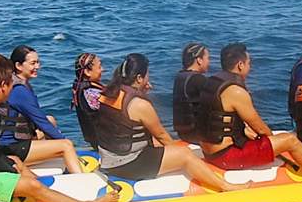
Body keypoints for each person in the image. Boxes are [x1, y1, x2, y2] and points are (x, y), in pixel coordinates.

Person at [0, 54, 119, 202]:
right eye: (11, 84)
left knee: (16, 162)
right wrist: (17, 175)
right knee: (31, 186)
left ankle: (50, 194)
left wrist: (16, 165)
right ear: (4, 85)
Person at [96, 54, 249, 192]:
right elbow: (162, 136)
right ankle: (226, 186)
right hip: (128, 165)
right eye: (147, 75)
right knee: (185, 154)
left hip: (108, 160)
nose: (149, 79)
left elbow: (124, 126)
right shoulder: (138, 104)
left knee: (159, 144)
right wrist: (180, 155)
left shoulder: (106, 95)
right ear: (139, 78)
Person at [197, 43, 302, 179]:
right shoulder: (236, 91)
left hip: (209, 152)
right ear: (240, 65)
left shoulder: (212, 82)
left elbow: (221, 121)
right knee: (290, 140)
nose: (249, 67)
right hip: (226, 157)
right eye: (249, 63)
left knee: (260, 136)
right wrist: (278, 145)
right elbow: (261, 129)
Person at [2, 45, 84, 173]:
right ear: (18, 65)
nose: (37, 67)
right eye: (33, 63)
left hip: (16, 141)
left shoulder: (15, 82)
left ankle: (57, 160)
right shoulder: (19, 91)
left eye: (38, 62)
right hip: (11, 148)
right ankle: (82, 181)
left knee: (51, 119)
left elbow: (43, 121)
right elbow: (41, 122)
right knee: (66, 145)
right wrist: (66, 142)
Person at [171, 42, 208, 145]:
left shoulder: (180, 76)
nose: (209, 62)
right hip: (197, 135)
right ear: (199, 60)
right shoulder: (198, 79)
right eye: (207, 58)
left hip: (182, 133)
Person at [70, 52, 104, 150]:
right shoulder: (91, 93)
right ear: (87, 72)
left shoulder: (80, 88)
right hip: (104, 143)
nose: (103, 69)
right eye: (99, 67)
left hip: (95, 140)